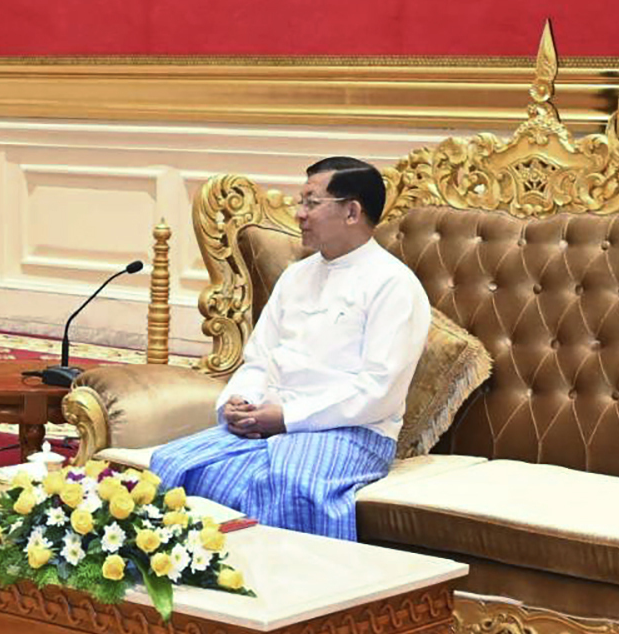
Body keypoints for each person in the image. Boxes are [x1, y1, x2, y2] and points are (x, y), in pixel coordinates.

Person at [149, 156, 429, 540]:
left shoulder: (393, 284)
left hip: (353, 433)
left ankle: (282, 594)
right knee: (168, 463)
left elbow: (378, 390)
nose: (298, 215)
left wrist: (286, 418)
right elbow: (258, 359)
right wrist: (239, 401)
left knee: (283, 484)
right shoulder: (297, 275)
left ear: (352, 211)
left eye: (311, 203)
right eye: (302, 202)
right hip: (271, 423)